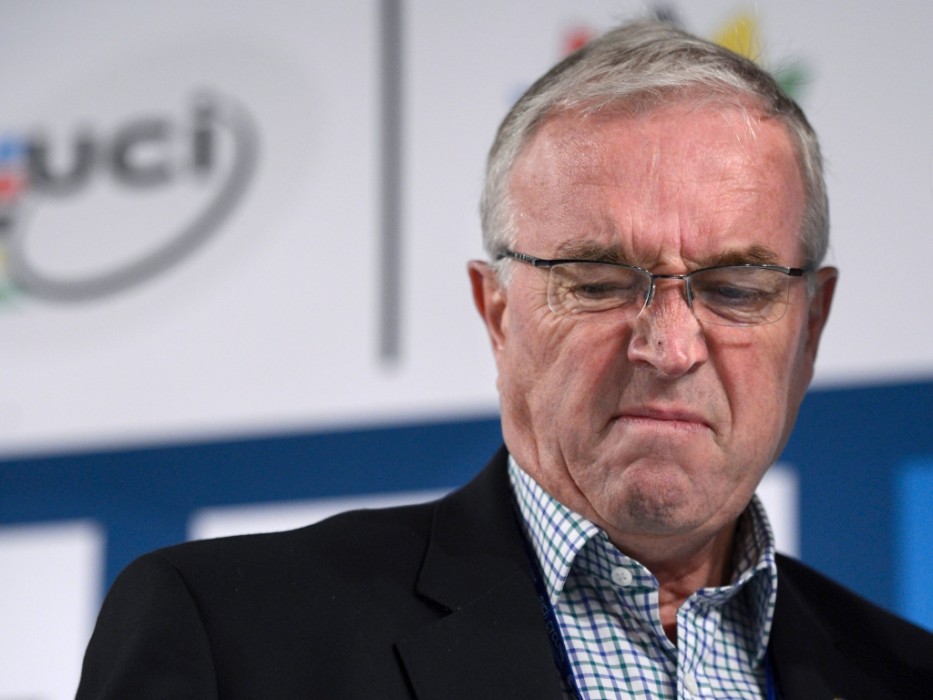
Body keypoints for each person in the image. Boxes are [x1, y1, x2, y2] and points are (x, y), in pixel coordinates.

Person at [76, 20, 932, 700]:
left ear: (809, 327)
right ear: (497, 313)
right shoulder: (232, 636)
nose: (669, 347)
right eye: (597, 282)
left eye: (735, 287)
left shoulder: (906, 675)